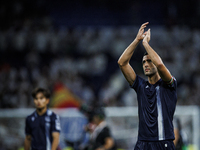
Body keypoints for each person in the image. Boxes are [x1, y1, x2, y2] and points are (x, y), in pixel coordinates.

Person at [118, 22, 177, 150]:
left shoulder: (169, 85)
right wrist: (137, 40)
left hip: (163, 143)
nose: (146, 64)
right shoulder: (140, 85)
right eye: (144, 61)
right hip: (142, 143)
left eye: (149, 61)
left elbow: (160, 65)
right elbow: (122, 63)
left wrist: (146, 44)